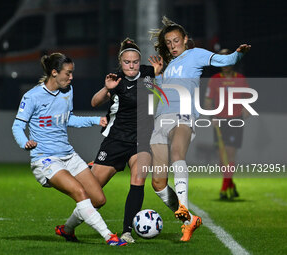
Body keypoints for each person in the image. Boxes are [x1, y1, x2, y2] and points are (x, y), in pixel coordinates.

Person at [148, 16, 251, 241]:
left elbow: (225, 61)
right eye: (168, 43)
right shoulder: (170, 66)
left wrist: (239, 54)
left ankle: (183, 205)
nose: (172, 46)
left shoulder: (195, 55)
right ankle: (189, 220)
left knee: (178, 153)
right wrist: (156, 76)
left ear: (185, 39)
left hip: (183, 115)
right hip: (160, 119)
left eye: (176, 40)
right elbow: (159, 94)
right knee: (158, 182)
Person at [11, 53, 126, 246]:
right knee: (80, 193)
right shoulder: (32, 96)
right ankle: (109, 237)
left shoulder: (67, 91)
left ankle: (67, 229)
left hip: (69, 155)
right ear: (54, 73)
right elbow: (17, 126)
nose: (71, 77)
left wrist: (94, 120)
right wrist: (25, 142)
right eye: (68, 73)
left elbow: (68, 119)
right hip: (46, 159)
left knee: (98, 199)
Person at [89, 38, 156, 243]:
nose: (131, 65)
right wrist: (106, 88)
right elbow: (94, 102)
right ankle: (69, 226)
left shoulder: (148, 73)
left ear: (140, 61)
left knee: (138, 181)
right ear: (121, 62)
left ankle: (127, 231)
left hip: (142, 141)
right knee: (93, 194)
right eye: (127, 62)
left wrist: (159, 72)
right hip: (116, 140)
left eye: (135, 61)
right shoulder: (115, 80)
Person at [204, 48, 250, 200]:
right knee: (221, 156)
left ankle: (224, 189)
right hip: (219, 120)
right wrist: (212, 117)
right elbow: (208, 100)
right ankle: (230, 184)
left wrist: (246, 109)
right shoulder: (214, 79)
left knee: (230, 153)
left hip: (235, 120)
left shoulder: (241, 78)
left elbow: (248, 98)